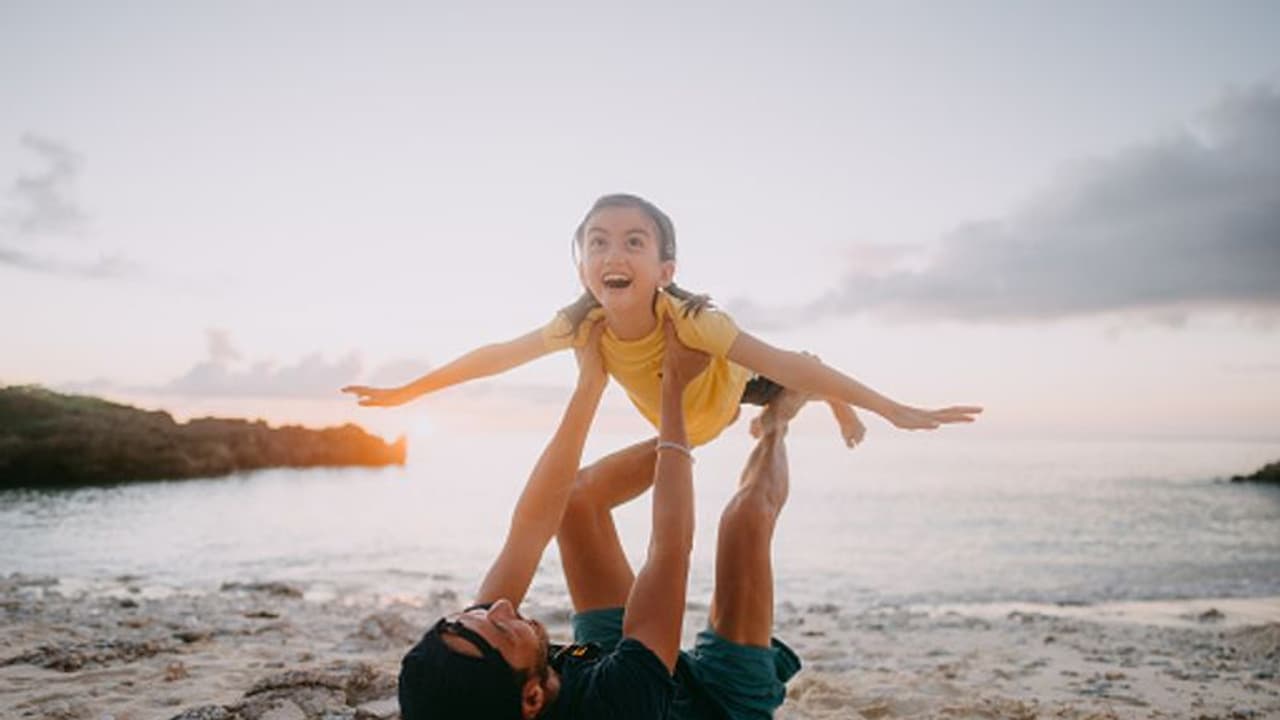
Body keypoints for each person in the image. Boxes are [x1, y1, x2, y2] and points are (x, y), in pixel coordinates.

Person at [345, 192, 980, 521]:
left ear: (664, 267)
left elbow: (799, 364)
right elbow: (495, 357)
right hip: (690, 423)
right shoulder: (582, 324)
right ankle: (782, 419)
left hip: (726, 389)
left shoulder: (696, 321)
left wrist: (895, 410)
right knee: (747, 414)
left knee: (795, 379)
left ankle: (832, 414)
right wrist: (406, 393)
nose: (612, 254)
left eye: (632, 241)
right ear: (583, 264)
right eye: (597, 243)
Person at [398, 320, 804, 719]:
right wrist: (674, 392)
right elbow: (670, 547)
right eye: (501, 629)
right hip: (719, 703)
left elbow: (530, 526)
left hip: (604, 660)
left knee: (574, 503)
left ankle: (716, 417)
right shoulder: (618, 706)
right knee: (744, 520)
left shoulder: (477, 666)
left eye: (474, 615)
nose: (501, 607)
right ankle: (778, 423)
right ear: (532, 699)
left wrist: (589, 385)